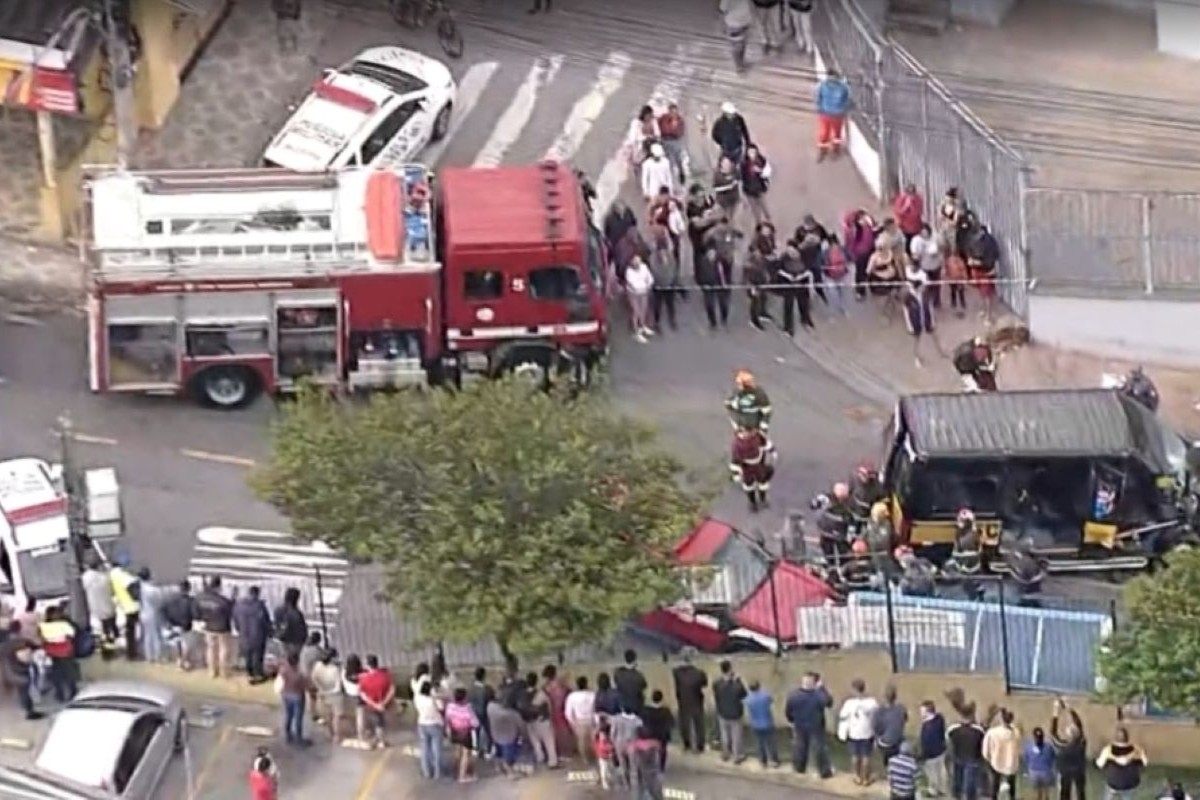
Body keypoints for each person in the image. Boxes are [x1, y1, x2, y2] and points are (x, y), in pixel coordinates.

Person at [784, 671, 833, 777]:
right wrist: (822, 688)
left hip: (799, 724)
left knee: (800, 747)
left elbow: (788, 711)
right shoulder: (817, 695)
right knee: (819, 748)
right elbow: (829, 703)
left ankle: (799, 768)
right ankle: (824, 772)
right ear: (814, 683)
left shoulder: (793, 695)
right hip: (816, 726)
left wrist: (792, 720)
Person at [839, 679, 879, 785]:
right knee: (866, 756)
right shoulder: (872, 702)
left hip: (854, 733)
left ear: (854, 689)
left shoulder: (849, 703)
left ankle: (857, 777)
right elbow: (877, 714)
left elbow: (842, 716)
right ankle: (865, 779)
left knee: (855, 756)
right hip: (867, 732)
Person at [730, 424, 775, 513]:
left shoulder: (757, 435)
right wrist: (736, 473)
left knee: (763, 482)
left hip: (759, 465)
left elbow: (765, 442)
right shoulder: (737, 444)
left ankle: (763, 499)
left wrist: (772, 450)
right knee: (749, 485)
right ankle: (752, 502)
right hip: (747, 467)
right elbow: (735, 459)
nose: (753, 432)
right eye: (750, 431)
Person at [232, 585, 272, 684]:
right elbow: (265, 621)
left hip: (244, 635)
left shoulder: (239, 606)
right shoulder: (260, 606)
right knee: (257, 656)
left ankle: (249, 674)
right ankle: (257, 675)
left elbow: (235, 619)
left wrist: (239, 629)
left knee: (248, 656)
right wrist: (269, 632)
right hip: (258, 635)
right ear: (257, 594)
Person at [672, 649, 709, 753]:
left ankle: (686, 744)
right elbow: (704, 684)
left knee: (684, 723)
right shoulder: (699, 673)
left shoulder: (677, 672)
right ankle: (700, 745)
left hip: (683, 700)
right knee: (699, 723)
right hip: (696, 700)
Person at [195, 576, 233, 678]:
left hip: (208, 626)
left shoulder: (201, 598)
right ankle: (224, 672)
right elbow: (230, 612)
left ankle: (212, 671)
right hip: (222, 627)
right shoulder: (223, 601)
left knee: (210, 649)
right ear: (219, 586)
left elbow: (197, 610)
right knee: (224, 649)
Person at [1050, 698, 1087, 800]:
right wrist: (1070, 708)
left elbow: (1053, 733)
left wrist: (1055, 712)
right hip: (1079, 772)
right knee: (1080, 793)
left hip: (1065, 774)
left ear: (1069, 734)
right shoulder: (1081, 743)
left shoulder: (1062, 745)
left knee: (1064, 794)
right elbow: (1080, 725)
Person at [38, 605, 77, 702]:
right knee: (67, 673)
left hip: (52, 652)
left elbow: (41, 638)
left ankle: (61, 694)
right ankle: (70, 692)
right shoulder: (64, 624)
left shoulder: (43, 625)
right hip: (64, 651)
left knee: (57, 674)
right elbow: (72, 634)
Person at [947, 705, 987, 800]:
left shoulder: (952, 730)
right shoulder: (979, 731)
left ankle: (956, 796)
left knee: (958, 780)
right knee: (970, 783)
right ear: (971, 716)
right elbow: (982, 745)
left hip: (958, 757)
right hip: (973, 758)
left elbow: (949, 744)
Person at [1095, 727, 1146, 800]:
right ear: (1127, 738)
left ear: (1115, 738)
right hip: (1130, 783)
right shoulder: (1137, 750)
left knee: (1108, 793)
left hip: (1113, 783)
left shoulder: (1108, 750)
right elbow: (1144, 763)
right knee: (1128, 795)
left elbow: (1099, 764)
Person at [712, 659, 747, 763]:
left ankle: (725, 754)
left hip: (722, 712)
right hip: (735, 713)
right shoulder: (736, 684)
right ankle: (737, 756)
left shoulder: (717, 683)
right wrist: (738, 681)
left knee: (724, 735)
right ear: (730, 669)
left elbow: (716, 696)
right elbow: (744, 695)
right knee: (736, 736)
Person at [902, 266, 936, 367]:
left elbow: (930, 307)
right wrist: (910, 326)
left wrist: (933, 320)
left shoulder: (925, 294)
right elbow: (906, 312)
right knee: (916, 341)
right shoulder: (908, 297)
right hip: (915, 322)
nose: (924, 288)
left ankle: (941, 352)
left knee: (934, 335)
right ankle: (916, 358)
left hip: (926, 319)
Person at [983, 709, 1020, 800]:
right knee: (1012, 786)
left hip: (996, 762)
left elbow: (985, 750)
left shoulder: (992, 732)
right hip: (1011, 764)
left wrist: (988, 758)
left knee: (995, 785)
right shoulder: (1015, 732)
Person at [277, 651, 312, 747]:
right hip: (297, 696)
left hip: (286, 694)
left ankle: (288, 734)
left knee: (289, 715)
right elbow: (306, 685)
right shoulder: (299, 674)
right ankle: (299, 738)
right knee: (298, 718)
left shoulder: (284, 670)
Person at [359, 654, 394, 749]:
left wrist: (374, 704)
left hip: (371, 705)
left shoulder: (364, 678)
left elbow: (363, 695)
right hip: (384, 704)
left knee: (377, 722)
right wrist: (383, 703)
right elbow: (392, 690)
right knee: (381, 722)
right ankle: (380, 740)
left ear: (368, 665)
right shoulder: (385, 675)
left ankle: (378, 741)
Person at [444, 687, 480, 783]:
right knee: (466, 754)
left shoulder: (450, 707)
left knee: (458, 751)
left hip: (454, 731)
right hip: (465, 733)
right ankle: (462, 776)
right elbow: (475, 723)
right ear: (464, 698)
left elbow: (447, 718)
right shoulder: (467, 709)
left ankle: (456, 770)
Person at [815, 68, 851, 160]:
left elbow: (818, 98)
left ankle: (827, 150)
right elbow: (847, 99)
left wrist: (819, 109)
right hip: (834, 114)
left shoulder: (823, 85)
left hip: (829, 113)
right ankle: (831, 150)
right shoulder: (843, 86)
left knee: (829, 133)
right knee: (831, 134)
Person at [966, 224, 1000, 322]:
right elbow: (970, 251)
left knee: (987, 294)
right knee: (982, 292)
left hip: (986, 271)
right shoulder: (974, 240)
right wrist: (970, 259)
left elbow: (993, 256)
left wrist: (979, 262)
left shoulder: (989, 242)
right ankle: (985, 311)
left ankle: (989, 316)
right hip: (978, 270)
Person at [525, 671, 559, 768]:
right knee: (549, 742)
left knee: (536, 742)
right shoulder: (540, 693)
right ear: (536, 681)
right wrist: (550, 717)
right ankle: (552, 762)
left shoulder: (522, 694)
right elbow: (549, 706)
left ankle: (540, 758)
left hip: (529, 721)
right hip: (543, 720)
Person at [162, 580, 198, 669]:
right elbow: (195, 614)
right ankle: (183, 661)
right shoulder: (191, 601)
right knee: (187, 645)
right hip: (186, 626)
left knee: (178, 643)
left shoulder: (171, 600)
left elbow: (165, 610)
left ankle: (179, 659)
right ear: (189, 589)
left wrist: (169, 622)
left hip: (173, 624)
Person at [82, 557, 117, 649]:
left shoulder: (85, 578)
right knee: (111, 629)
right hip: (108, 608)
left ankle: (106, 648)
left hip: (95, 610)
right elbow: (112, 591)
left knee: (101, 632)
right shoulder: (104, 577)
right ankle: (113, 643)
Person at [745, 680, 780, 768]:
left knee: (759, 743)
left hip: (755, 724)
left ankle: (763, 761)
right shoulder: (765, 696)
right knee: (770, 743)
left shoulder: (748, 699)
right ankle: (774, 760)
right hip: (767, 723)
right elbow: (771, 700)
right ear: (759, 687)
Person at [311, 648, 343, 740]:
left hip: (322, 693)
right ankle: (336, 736)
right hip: (335, 695)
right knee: (336, 717)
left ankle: (330, 734)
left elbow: (314, 678)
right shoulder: (335, 669)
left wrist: (320, 689)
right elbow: (338, 686)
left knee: (328, 716)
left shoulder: (317, 666)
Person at [137, 568, 169, 665]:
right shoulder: (151, 590)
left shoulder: (140, 586)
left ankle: (149, 656)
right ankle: (157, 657)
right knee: (156, 636)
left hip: (143, 613)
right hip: (153, 614)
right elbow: (160, 601)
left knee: (147, 636)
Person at [415, 680, 445, 779]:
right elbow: (441, 707)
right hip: (435, 724)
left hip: (422, 724)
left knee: (425, 748)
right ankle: (437, 772)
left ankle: (426, 771)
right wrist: (436, 696)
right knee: (436, 749)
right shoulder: (433, 700)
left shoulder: (418, 699)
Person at [488, 695, 524, 778]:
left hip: (495, 734)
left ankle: (498, 767)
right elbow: (521, 726)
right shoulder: (513, 714)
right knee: (508, 756)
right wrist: (522, 736)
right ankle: (510, 772)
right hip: (509, 737)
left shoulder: (491, 708)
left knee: (499, 752)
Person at [918, 700, 948, 797]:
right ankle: (941, 789)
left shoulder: (926, 727)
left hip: (931, 755)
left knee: (932, 775)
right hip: (941, 751)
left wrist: (923, 756)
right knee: (940, 773)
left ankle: (933, 791)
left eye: (922, 711)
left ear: (927, 712)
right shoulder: (940, 719)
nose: (921, 713)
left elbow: (926, 743)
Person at [630, 725, 666, 800]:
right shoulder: (655, 745)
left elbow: (633, 763)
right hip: (653, 773)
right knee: (656, 794)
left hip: (640, 774)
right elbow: (659, 759)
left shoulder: (634, 746)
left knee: (640, 793)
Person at [875, 685, 908, 766]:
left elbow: (878, 729)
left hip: (885, 743)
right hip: (898, 741)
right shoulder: (901, 709)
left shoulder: (880, 711)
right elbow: (905, 720)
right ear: (895, 696)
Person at [466, 667, 495, 760]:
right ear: (484, 676)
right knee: (488, 732)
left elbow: (468, 701)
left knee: (476, 731)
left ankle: (476, 749)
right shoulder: (487, 689)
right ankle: (488, 750)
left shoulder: (470, 689)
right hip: (485, 712)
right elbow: (492, 699)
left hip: (474, 712)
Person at [566, 675, 597, 761]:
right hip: (591, 719)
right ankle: (596, 757)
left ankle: (585, 759)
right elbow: (596, 709)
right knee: (594, 740)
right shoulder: (592, 694)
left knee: (581, 742)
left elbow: (568, 712)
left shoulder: (572, 696)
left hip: (579, 721)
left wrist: (572, 723)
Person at [625, 254, 655, 343]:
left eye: (639, 261)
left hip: (644, 292)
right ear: (631, 262)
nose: (637, 263)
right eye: (635, 261)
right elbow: (633, 284)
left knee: (643, 310)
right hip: (633, 294)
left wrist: (648, 284)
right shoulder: (629, 271)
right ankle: (636, 331)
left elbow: (650, 278)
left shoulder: (644, 267)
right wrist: (645, 286)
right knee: (636, 311)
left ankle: (643, 326)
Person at [642, 690, 674, 771]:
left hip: (650, 734)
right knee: (662, 751)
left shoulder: (646, 710)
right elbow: (671, 723)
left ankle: (650, 765)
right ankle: (661, 766)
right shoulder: (665, 711)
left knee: (649, 751)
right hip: (662, 735)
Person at [273, 586, 308, 661]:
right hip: (294, 641)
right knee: (292, 662)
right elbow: (299, 629)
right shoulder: (294, 613)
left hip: (283, 640)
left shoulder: (278, 610)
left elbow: (278, 624)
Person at [741, 145, 773, 224]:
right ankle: (758, 221)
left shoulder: (761, 161)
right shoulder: (744, 163)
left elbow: (767, 173)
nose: (752, 154)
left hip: (759, 188)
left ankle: (767, 216)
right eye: (750, 152)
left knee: (762, 203)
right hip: (749, 189)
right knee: (754, 207)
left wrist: (760, 171)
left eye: (753, 152)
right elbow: (742, 177)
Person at [658, 103, 688, 183]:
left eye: (675, 112)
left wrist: (674, 127)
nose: (673, 114)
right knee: (668, 161)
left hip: (675, 141)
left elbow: (680, 133)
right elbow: (660, 128)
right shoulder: (663, 118)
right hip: (665, 141)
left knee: (678, 159)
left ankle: (681, 174)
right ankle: (669, 179)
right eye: (671, 112)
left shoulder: (680, 121)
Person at [1025, 727, 1056, 800]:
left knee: (1037, 794)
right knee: (1045, 793)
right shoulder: (1048, 747)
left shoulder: (1029, 746)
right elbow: (1053, 757)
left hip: (1034, 772)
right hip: (1046, 772)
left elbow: (1027, 758)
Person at [614, 649, 648, 715]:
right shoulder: (638, 675)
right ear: (634, 659)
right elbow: (644, 686)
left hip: (622, 706)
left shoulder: (618, 673)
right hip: (636, 707)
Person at [594, 719, 616, 789]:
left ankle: (606, 780)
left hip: (604, 756)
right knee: (604, 769)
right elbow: (603, 747)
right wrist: (610, 750)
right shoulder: (603, 740)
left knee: (606, 769)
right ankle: (604, 782)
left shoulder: (599, 738)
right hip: (603, 756)